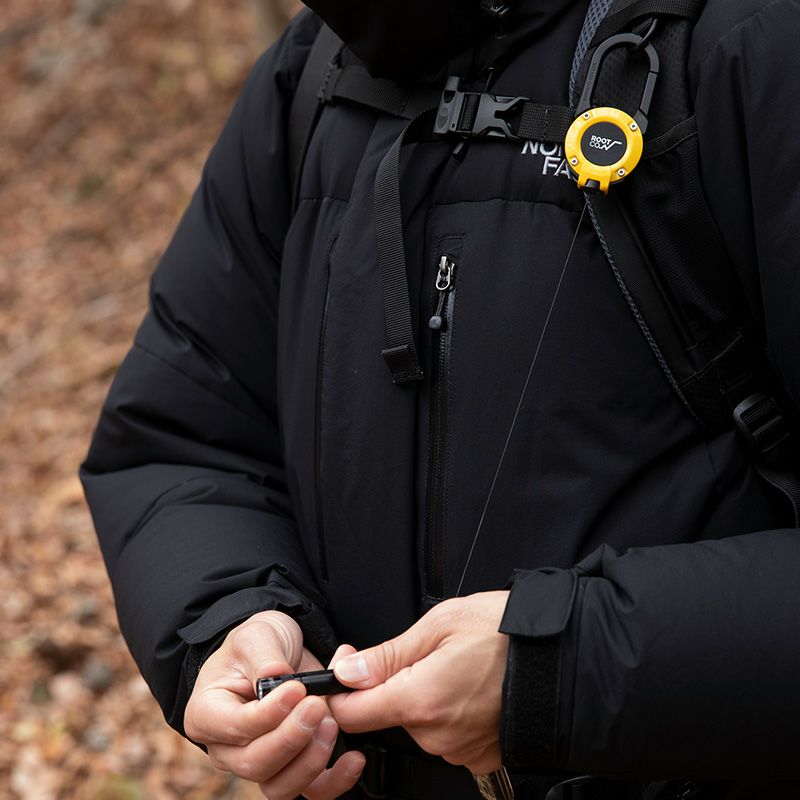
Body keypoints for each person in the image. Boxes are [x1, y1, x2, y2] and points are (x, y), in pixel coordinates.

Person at [81, 0, 800, 798]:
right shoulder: (313, 70)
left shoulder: (746, 42)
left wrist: (564, 671)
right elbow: (179, 437)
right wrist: (229, 616)